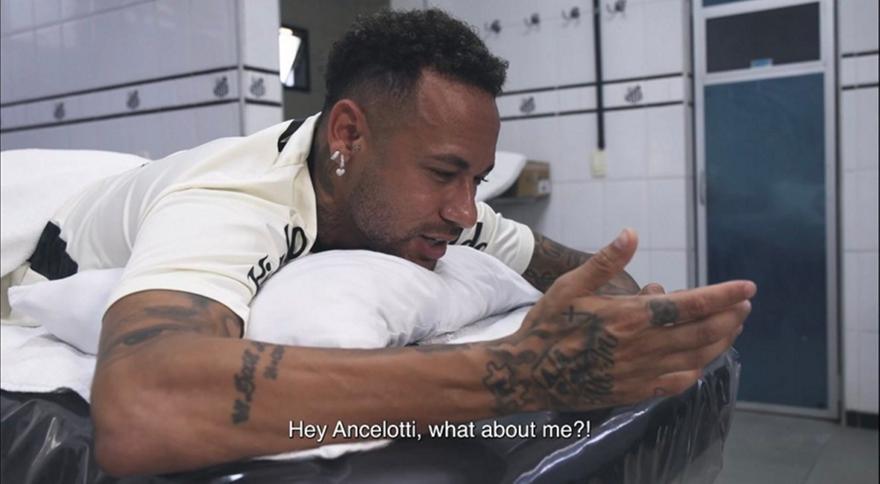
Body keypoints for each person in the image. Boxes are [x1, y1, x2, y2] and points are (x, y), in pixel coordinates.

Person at [22, 9, 754, 476]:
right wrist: (523, 374)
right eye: (443, 173)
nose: (463, 210)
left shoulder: (445, 206)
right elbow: (142, 406)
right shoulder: (234, 201)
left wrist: (632, 315)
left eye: (477, 179)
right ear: (348, 134)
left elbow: (551, 261)